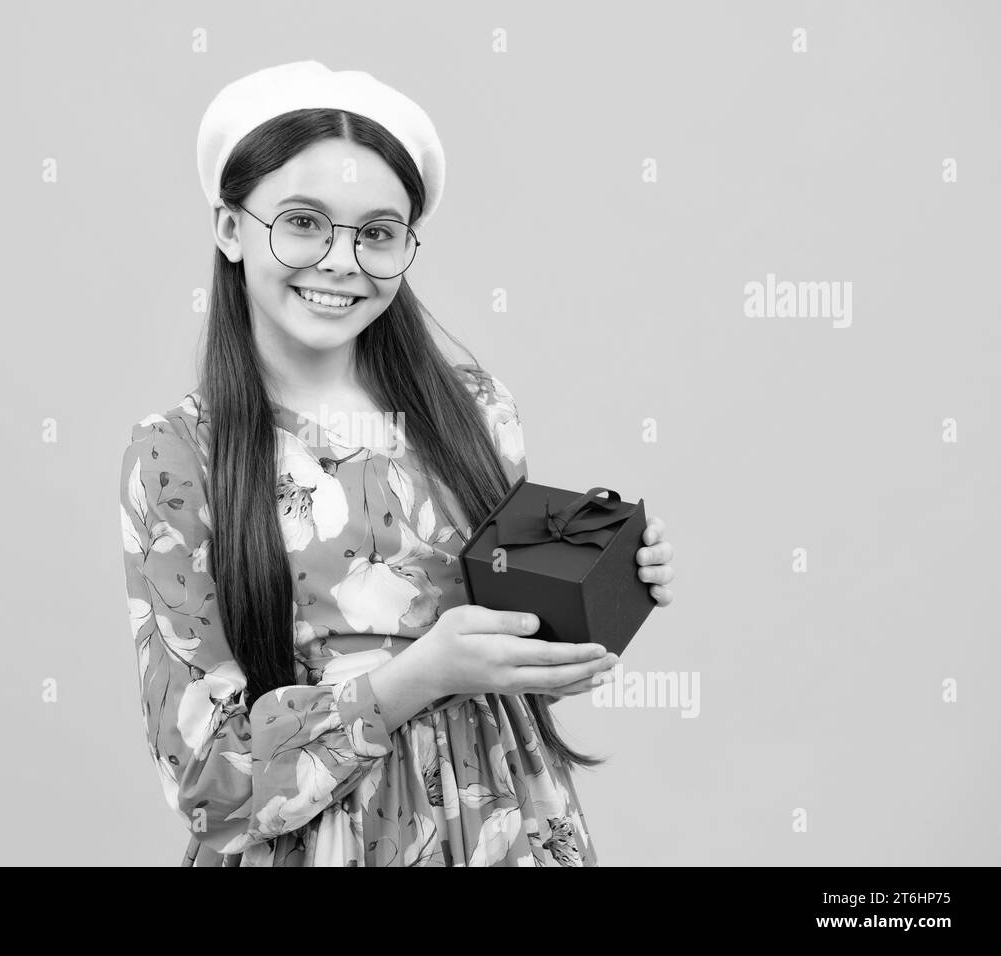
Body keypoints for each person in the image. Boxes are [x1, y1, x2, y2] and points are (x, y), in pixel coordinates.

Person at [118, 61, 676, 866]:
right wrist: (421, 675)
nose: (343, 261)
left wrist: (613, 581)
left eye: (377, 233)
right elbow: (210, 782)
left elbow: (519, 645)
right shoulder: (175, 456)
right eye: (304, 222)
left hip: (507, 829)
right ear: (231, 228)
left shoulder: (474, 406)